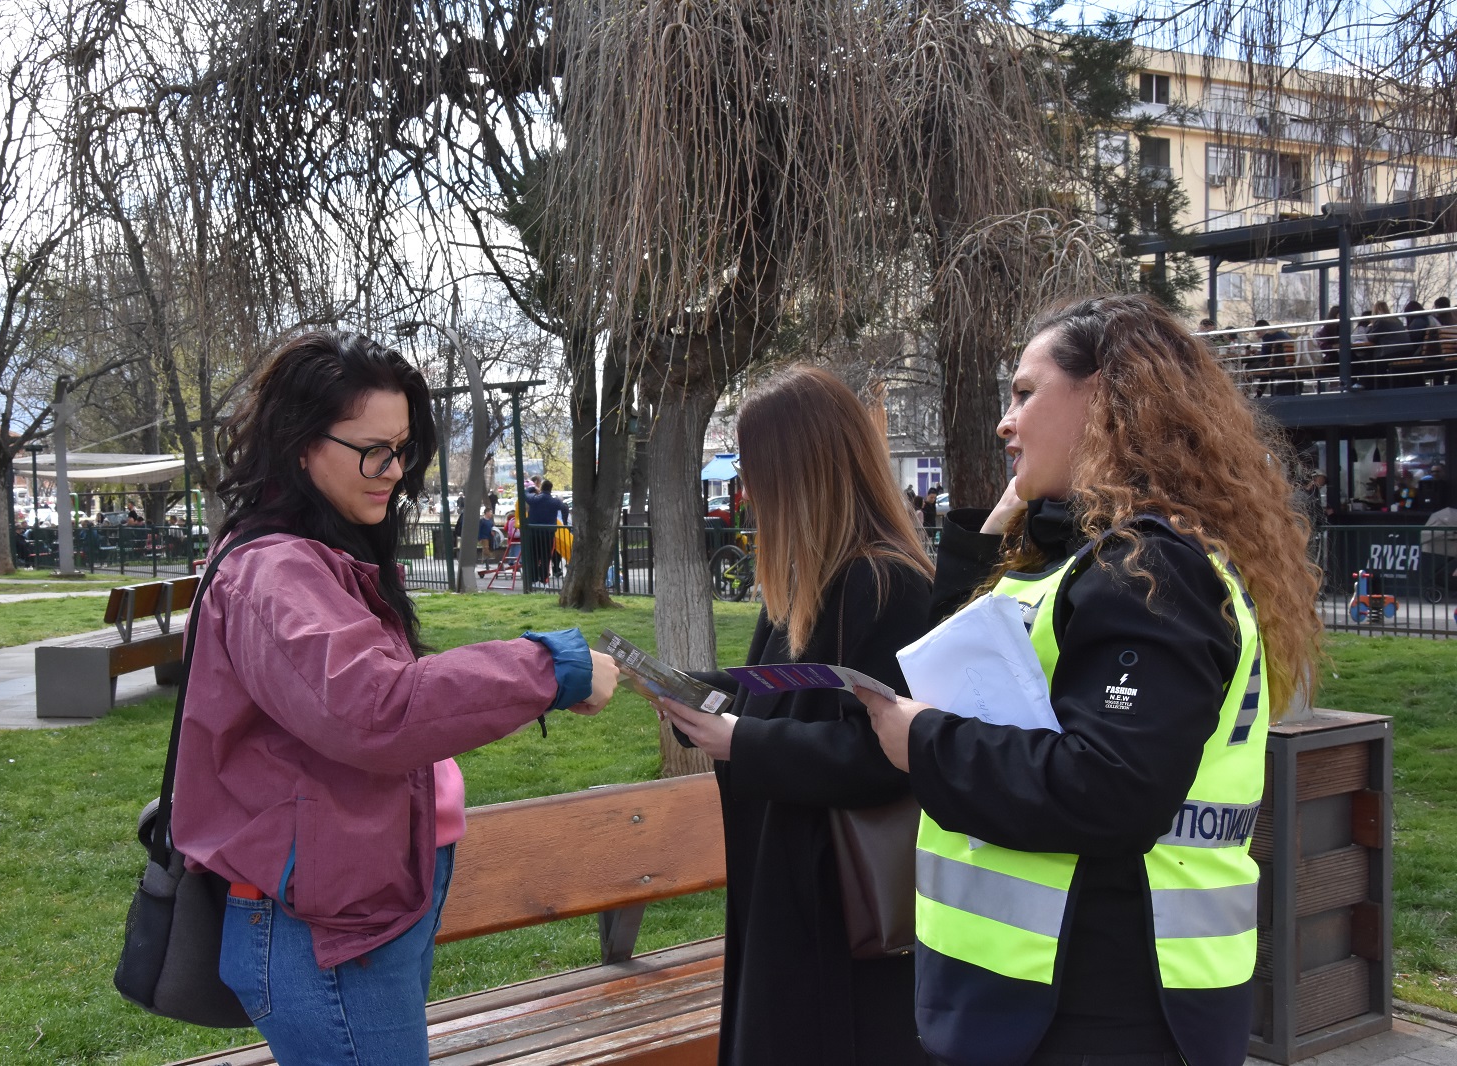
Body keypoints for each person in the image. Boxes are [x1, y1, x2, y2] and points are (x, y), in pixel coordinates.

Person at [857, 294, 1321, 1066]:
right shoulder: (1091, 560)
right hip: (1042, 994)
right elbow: (949, 659)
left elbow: (1108, 788)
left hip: (1105, 999)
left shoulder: (1149, 570)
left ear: (1105, 400)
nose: (1005, 422)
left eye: (1025, 393)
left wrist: (925, 742)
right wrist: (991, 530)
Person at [171, 331, 618, 1066]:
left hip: (360, 904)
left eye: (403, 449)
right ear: (301, 445)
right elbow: (375, 707)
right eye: (373, 450)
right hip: (324, 929)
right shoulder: (275, 572)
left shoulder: (324, 550)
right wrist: (552, 669)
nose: (393, 471)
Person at [658, 365, 935, 1066]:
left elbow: (885, 753)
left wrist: (741, 742)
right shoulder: (808, 578)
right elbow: (780, 689)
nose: (748, 494)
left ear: (800, 472)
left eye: (755, 473)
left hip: (838, 907)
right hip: (785, 883)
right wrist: (695, 692)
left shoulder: (885, 583)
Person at [525, 477, 569, 583]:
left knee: (534, 556)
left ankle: (534, 578)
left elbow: (524, 493)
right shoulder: (555, 502)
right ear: (551, 489)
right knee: (546, 556)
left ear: (541, 488)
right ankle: (544, 578)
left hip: (534, 532)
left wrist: (533, 488)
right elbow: (565, 508)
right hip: (548, 533)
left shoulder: (534, 500)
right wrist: (565, 523)